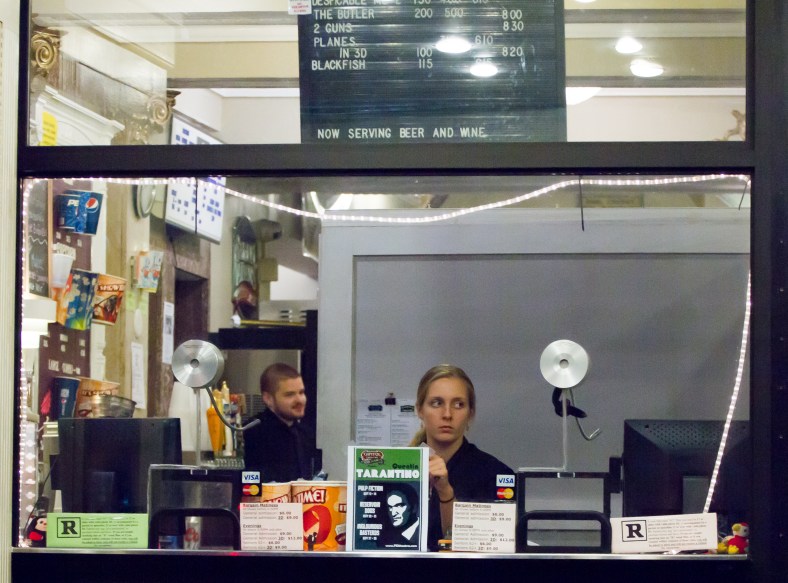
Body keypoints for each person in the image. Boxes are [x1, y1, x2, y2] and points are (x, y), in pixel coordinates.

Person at [409, 364, 514, 551]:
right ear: (419, 410)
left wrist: (445, 491)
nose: (447, 414)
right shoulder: (398, 469)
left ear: (470, 413)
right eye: (436, 403)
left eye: (458, 405)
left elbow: (490, 553)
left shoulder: (495, 475)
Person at [243, 363, 319, 482]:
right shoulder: (253, 433)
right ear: (268, 399)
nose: (299, 400)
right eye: (290, 394)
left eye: (301, 392)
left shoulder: (306, 434)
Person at [378, 483, 421, 548]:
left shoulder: (424, 532)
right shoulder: (389, 535)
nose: (393, 513)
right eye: (390, 507)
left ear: (414, 507)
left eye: (399, 506)